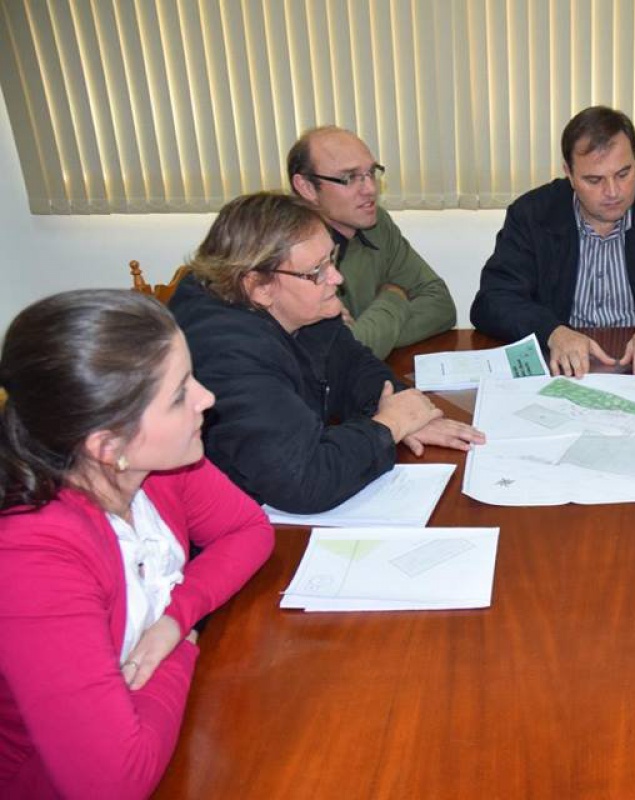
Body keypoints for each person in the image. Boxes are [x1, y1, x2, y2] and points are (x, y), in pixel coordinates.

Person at [0, 290, 274, 798]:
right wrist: (182, 650)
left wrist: (175, 619)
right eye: (179, 394)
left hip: (167, 731)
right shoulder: (32, 558)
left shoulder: (155, 465)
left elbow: (248, 530)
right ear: (108, 446)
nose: (206, 398)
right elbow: (112, 782)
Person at [170, 192, 484, 514]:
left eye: (331, 259)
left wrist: (406, 410)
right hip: (229, 522)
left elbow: (354, 365)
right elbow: (305, 481)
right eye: (317, 270)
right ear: (259, 287)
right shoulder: (227, 355)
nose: (336, 277)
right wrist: (389, 427)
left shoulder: (301, 308)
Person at [470, 105, 635, 378]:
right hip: (564, 370)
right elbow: (493, 299)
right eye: (594, 180)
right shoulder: (532, 215)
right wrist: (552, 332)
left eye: (623, 174)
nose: (613, 192)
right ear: (569, 173)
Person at [288, 125, 456, 359]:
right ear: (307, 188)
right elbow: (340, 355)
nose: (370, 189)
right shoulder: (288, 251)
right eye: (349, 178)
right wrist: (394, 297)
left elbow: (441, 306)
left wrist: (367, 334)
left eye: (371, 173)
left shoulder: (377, 225)